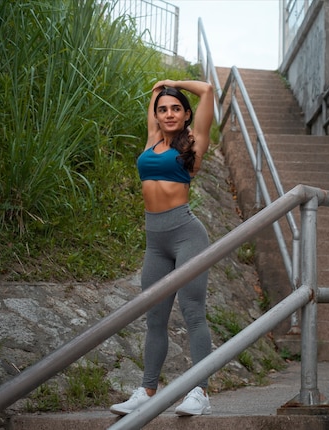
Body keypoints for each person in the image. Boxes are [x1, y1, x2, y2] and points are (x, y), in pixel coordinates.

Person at [110, 79, 215, 417]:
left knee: (193, 313)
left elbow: (208, 90)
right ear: (157, 116)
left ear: (186, 115)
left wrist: (173, 83)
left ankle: (200, 392)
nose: (168, 113)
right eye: (163, 109)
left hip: (187, 235)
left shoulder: (193, 144)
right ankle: (147, 390)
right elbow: (154, 99)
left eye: (176, 108)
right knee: (154, 319)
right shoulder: (152, 140)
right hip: (155, 243)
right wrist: (159, 90)